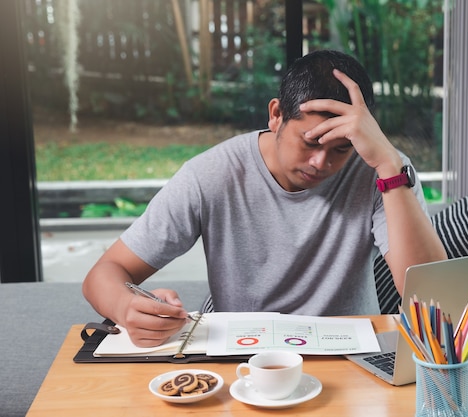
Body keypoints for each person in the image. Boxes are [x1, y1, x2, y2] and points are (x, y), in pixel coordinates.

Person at [82, 50, 447, 347]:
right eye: (310, 142)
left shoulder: (385, 170)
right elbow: (104, 274)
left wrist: (387, 164)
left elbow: (434, 297)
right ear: (276, 115)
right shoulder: (210, 175)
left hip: (351, 357)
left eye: (341, 148)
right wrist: (126, 306)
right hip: (244, 358)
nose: (321, 162)